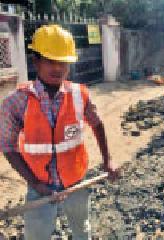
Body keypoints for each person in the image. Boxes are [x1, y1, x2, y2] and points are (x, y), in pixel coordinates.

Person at [0, 25, 118, 239]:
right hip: (40, 187)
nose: (57, 68)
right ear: (36, 61)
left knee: (82, 229)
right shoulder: (16, 102)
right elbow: (7, 145)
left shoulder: (79, 94)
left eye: (63, 61)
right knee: (37, 235)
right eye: (50, 61)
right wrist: (35, 183)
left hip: (77, 180)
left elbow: (97, 124)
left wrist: (107, 159)